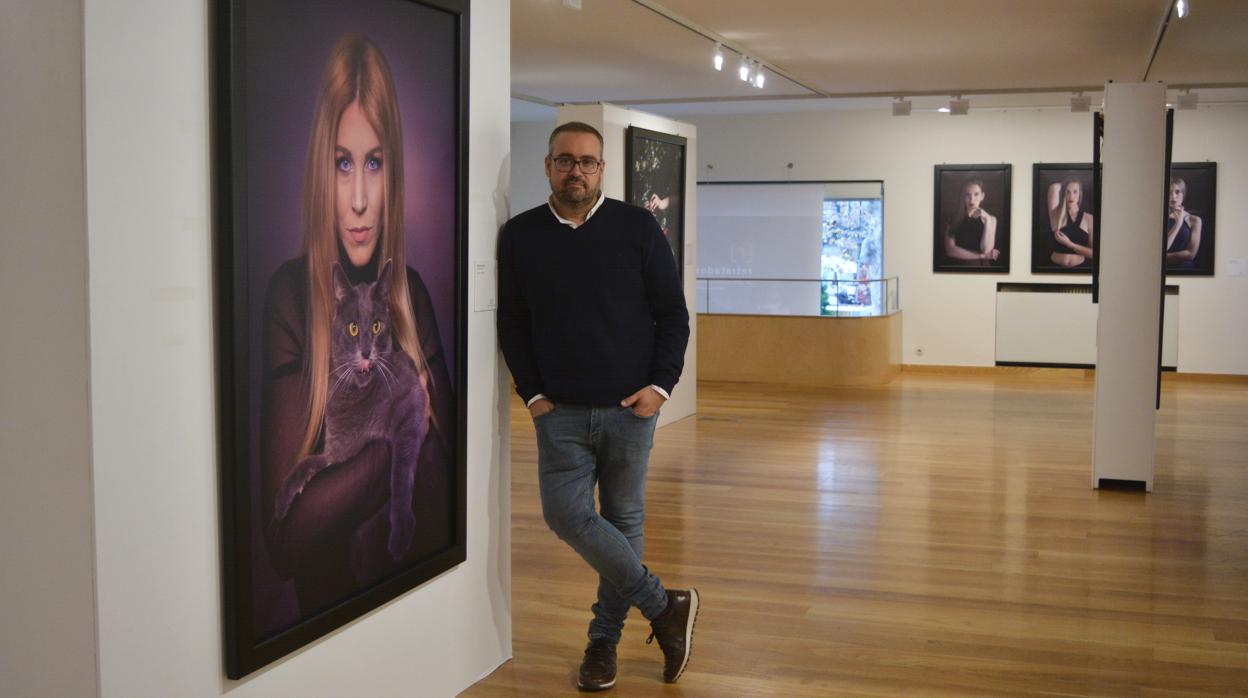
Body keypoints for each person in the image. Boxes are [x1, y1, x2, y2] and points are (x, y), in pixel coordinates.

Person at [259, 34, 455, 621]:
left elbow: (450, 492)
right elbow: (287, 542)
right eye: (343, 164)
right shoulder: (292, 299)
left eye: (374, 162)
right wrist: (398, 436)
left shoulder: (412, 294)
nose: (361, 199)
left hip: (423, 609)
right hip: (327, 639)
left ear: (393, 169)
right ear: (322, 167)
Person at [497, 121, 696, 691]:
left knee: (623, 522)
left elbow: (672, 315)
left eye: (587, 161)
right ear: (548, 166)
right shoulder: (520, 235)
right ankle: (664, 606)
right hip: (556, 412)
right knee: (566, 516)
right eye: (565, 160)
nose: (576, 170)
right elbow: (512, 320)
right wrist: (531, 393)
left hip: (629, 410)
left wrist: (661, 387)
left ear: (603, 169)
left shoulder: (637, 228)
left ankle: (602, 642)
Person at [943, 179, 1000, 265]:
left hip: (982, 268)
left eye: (976, 194)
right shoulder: (952, 218)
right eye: (967, 194)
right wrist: (982, 256)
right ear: (963, 196)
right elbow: (950, 250)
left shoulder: (991, 219)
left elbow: (986, 249)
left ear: (982, 196)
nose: (972, 199)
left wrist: (987, 219)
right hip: (958, 267)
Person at [1047, 177, 1095, 268]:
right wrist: (1065, 185)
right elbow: (1054, 187)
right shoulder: (1056, 215)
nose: (1071, 196)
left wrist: (1069, 244)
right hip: (1053, 269)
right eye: (1067, 192)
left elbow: (1093, 254)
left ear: (1080, 194)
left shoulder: (1089, 219)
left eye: (1075, 192)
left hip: (1079, 270)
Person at [1165, 176, 1202, 270]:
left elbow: (1190, 254)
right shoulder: (1157, 219)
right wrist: (1178, 224)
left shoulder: (1194, 220)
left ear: (1183, 195)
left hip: (1184, 271)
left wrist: (1161, 258)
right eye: (1169, 192)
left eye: (1177, 192)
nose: (1173, 197)